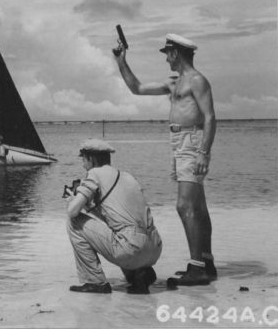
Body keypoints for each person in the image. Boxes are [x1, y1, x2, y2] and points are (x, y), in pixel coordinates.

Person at [114, 33, 216, 286]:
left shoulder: (197, 80)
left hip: (192, 142)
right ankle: (206, 262)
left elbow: (210, 118)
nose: (165, 59)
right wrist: (121, 61)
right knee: (198, 208)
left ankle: (198, 267)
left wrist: (203, 152)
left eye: (167, 53)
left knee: (185, 206)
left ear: (176, 53)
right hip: (179, 144)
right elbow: (136, 88)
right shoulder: (174, 83)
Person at [65, 139, 162, 294]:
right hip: (154, 247)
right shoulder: (127, 176)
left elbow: (72, 211)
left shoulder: (94, 174)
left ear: (91, 158)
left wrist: (72, 198)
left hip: (132, 249)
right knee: (122, 230)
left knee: (74, 222)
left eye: (83, 159)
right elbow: (119, 216)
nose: (83, 165)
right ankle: (138, 273)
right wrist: (90, 206)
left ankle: (95, 281)